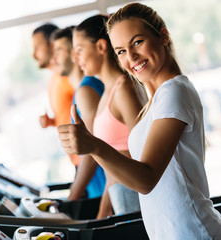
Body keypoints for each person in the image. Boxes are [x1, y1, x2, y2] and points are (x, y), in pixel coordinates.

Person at [58, 3, 221, 239]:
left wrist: (94, 146)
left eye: (137, 42)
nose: (131, 57)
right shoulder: (156, 100)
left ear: (163, 36)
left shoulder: (174, 91)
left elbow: (146, 178)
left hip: (195, 232)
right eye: (120, 51)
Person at [72, 15, 148, 219]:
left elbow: (142, 153)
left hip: (134, 196)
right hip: (119, 196)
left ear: (101, 47)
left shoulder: (124, 88)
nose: (76, 58)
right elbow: (113, 164)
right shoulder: (108, 90)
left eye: (79, 50)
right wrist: (104, 209)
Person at [50, 26, 106, 200]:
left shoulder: (86, 90)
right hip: (99, 191)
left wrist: (72, 198)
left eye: (59, 51)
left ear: (74, 54)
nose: (54, 59)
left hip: (106, 193)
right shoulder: (79, 91)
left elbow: (92, 150)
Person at [32, 24, 79, 167]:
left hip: (89, 160)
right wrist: (51, 121)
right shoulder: (53, 80)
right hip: (76, 160)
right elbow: (71, 114)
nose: (34, 55)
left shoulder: (72, 76)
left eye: (37, 47)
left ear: (51, 45)